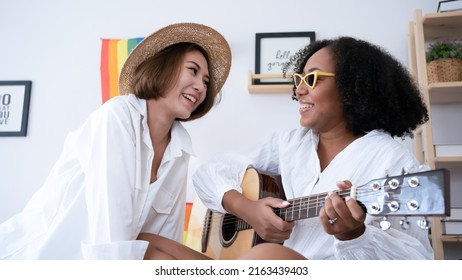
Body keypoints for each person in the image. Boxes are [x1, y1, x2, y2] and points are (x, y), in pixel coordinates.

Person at [0, 22, 232, 259]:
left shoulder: (180, 150)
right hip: (38, 257)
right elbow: (110, 237)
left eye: (205, 81)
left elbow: (164, 240)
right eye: (193, 70)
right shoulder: (117, 117)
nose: (200, 87)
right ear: (164, 69)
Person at [191, 36, 434, 260]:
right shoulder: (290, 143)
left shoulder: (393, 161)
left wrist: (355, 236)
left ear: (352, 88)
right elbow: (209, 171)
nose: (299, 91)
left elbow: (417, 260)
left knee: (264, 255)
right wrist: (246, 209)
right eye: (299, 79)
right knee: (157, 248)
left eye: (312, 78)